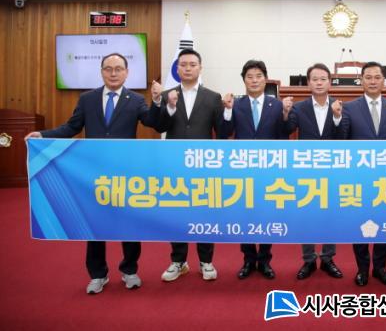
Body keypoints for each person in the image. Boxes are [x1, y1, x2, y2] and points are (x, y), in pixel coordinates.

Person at [25, 52, 161, 294]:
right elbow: (72, 127)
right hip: (93, 173)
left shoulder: (135, 99)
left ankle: (130, 270)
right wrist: (43, 135)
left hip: (125, 173)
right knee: (94, 224)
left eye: (118, 69)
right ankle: (98, 274)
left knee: (129, 224)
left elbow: (153, 123)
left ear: (127, 72)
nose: (113, 73)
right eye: (108, 68)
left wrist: (158, 102)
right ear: (101, 72)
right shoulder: (87, 98)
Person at [154, 49, 223, 283]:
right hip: (175, 165)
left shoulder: (213, 97)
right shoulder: (167, 95)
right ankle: (179, 261)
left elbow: (222, 132)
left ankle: (206, 261)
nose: (188, 68)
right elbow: (159, 126)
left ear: (200, 68)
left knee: (205, 213)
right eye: (183, 64)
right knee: (177, 213)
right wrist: (170, 107)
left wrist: (227, 111)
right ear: (177, 69)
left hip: (204, 166)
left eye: (193, 64)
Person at [221, 59, 289, 280]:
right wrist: (227, 111)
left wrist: (286, 115)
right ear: (244, 80)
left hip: (270, 170)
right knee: (246, 216)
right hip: (244, 169)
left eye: (258, 76)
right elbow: (225, 132)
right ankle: (249, 260)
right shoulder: (236, 104)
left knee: (267, 215)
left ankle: (265, 260)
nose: (254, 80)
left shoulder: (276, 105)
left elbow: (283, 136)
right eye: (249, 77)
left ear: (265, 79)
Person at [339, 61, 386, 287]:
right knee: (360, 224)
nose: (373, 81)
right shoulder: (349, 107)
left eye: (377, 77)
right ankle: (362, 269)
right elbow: (342, 141)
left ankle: (380, 267)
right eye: (368, 77)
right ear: (361, 81)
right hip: (359, 179)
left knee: (384, 224)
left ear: (384, 80)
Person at [281, 63, 344, 280]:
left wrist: (337, 117)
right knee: (306, 215)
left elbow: (343, 137)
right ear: (308, 83)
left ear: (330, 82)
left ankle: (327, 258)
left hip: (332, 169)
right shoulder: (300, 107)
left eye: (323, 79)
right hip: (306, 169)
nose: (319, 83)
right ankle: (308, 259)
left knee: (330, 215)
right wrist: (285, 112)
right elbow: (287, 130)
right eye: (314, 79)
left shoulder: (338, 105)